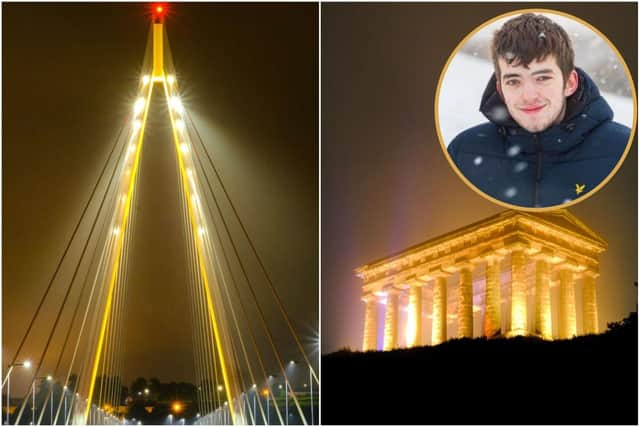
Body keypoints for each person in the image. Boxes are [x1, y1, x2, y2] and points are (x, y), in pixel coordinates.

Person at [447, 13, 631, 208]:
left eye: (542, 78)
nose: (529, 95)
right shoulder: (463, 152)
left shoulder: (624, 151)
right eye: (513, 81)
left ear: (570, 83)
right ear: (500, 89)